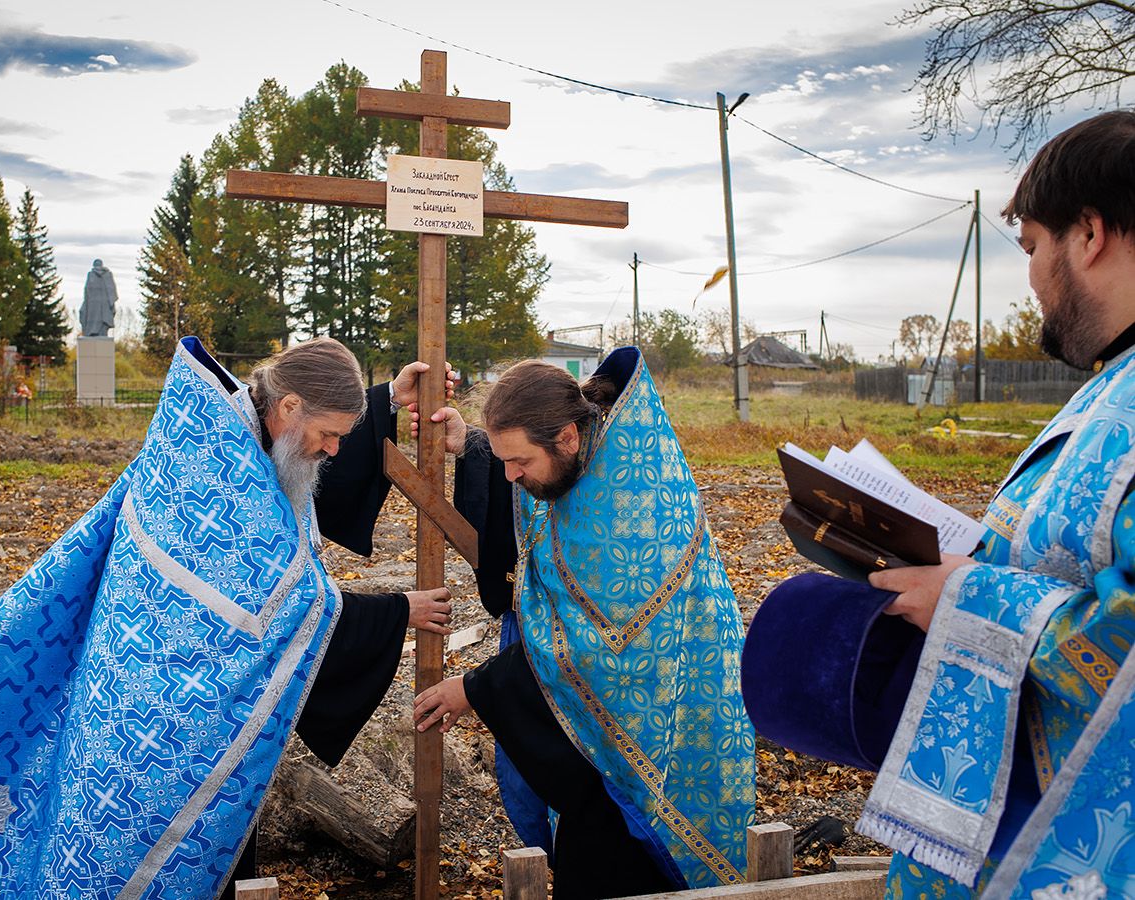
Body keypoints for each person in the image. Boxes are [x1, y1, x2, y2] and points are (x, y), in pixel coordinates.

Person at [0, 336, 453, 900]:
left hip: (146, 676)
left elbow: (297, 473)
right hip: (150, 702)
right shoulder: (214, 469)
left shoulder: (238, 433)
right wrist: (396, 612)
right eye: (331, 436)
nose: (335, 451)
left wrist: (384, 401)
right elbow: (272, 609)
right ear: (287, 405)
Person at [741, 110, 1135, 900]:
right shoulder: (1108, 390)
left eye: (1031, 249)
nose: (1030, 278)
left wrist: (965, 595)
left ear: (1086, 234)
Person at [409, 350, 755, 898]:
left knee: (627, 866)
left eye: (516, 460)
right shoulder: (589, 453)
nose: (511, 477)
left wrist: (475, 688)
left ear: (567, 436)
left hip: (658, 730)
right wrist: (471, 446)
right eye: (502, 459)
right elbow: (537, 487)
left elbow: (600, 652)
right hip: (610, 742)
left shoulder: (631, 506)